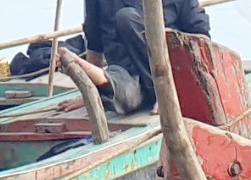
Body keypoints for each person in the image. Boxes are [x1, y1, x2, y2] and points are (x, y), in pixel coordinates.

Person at [63, 0, 212, 114]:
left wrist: (168, 36)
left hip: (169, 72)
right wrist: (88, 93)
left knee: (127, 18)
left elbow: (201, 38)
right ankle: (101, 81)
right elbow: (95, 46)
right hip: (126, 72)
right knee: (127, 96)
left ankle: (163, 91)